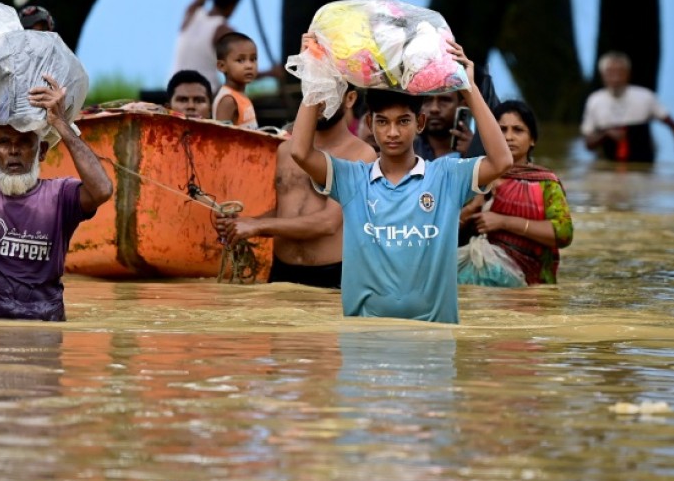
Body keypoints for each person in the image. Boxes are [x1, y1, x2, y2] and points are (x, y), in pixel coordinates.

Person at [290, 34, 512, 323]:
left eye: (403, 121)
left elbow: (502, 161)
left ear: (419, 123)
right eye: (382, 122)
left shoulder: (446, 176)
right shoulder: (353, 179)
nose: (392, 133)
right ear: (369, 124)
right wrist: (313, 73)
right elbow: (300, 152)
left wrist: (469, 89)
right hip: (364, 342)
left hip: (433, 342)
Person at [0, 76, 113, 322]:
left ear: (42, 152)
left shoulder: (61, 196)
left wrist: (60, 123)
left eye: (25, 142)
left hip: (44, 331)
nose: (14, 150)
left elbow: (102, 189)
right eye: (4, 142)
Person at [215, 85, 377, 289]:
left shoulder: (361, 155)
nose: (317, 101)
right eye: (312, 92)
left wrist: (257, 226)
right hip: (282, 271)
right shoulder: (284, 150)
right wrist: (241, 224)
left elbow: (328, 223)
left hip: (331, 275)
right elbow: (284, 212)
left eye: (326, 92)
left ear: (350, 98)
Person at [460, 100, 573, 285]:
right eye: (501, 130)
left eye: (518, 130)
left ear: (532, 139)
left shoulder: (545, 182)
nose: (508, 137)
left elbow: (563, 234)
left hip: (531, 289)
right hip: (478, 282)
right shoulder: (473, 177)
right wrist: (472, 208)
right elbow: (438, 234)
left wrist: (504, 222)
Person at [581, 51, 674, 162]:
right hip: (608, 164)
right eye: (610, 72)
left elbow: (673, 125)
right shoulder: (594, 101)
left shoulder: (645, 97)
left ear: (628, 74)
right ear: (602, 75)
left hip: (642, 163)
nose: (616, 78)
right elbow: (588, 144)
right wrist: (606, 135)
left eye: (620, 72)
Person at [169, 0, 245, 93]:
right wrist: (271, 74)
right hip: (203, 93)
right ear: (232, 6)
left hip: (174, 88)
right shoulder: (223, 30)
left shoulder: (191, 14)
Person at [212, 32, 258, 129]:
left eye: (253, 59)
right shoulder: (228, 99)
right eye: (240, 60)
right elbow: (221, 136)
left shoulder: (240, 95)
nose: (249, 66)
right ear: (222, 66)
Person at [414, 91, 473, 161]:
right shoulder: (407, 150)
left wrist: (473, 153)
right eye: (427, 100)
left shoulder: (482, 148)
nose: (434, 109)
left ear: (463, 105)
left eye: (444, 100)